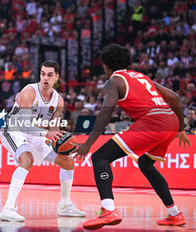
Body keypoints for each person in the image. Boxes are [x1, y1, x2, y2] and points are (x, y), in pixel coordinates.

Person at [72, 44, 190, 230]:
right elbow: (175, 98)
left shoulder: (114, 81)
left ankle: (108, 209)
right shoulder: (142, 76)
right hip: (171, 121)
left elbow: (106, 112)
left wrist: (88, 143)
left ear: (106, 67)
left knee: (100, 157)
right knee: (145, 163)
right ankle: (175, 214)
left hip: (154, 121)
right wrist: (181, 129)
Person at [0, 60, 86, 222]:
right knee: (27, 159)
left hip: (36, 134)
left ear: (57, 77)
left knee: (68, 161)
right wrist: (47, 134)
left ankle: (65, 205)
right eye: (43, 74)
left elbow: (52, 127)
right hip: (13, 129)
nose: (45, 78)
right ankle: (8, 209)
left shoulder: (58, 101)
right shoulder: (29, 91)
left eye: (50, 75)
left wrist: (61, 138)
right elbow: (24, 124)